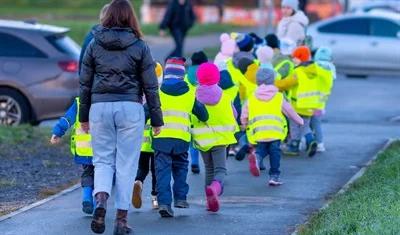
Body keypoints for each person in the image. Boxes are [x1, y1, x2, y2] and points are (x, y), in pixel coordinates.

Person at [79, 1, 163, 234]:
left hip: (99, 107)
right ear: (130, 17)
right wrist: (157, 119)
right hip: (129, 107)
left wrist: (83, 116)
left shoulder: (94, 44)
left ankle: (101, 201)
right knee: (126, 165)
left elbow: (84, 84)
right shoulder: (140, 46)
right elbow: (151, 86)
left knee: (102, 161)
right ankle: (121, 221)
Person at [153, 57, 208, 218]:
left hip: (161, 138)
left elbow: (146, 111)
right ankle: (180, 198)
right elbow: (203, 114)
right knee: (181, 168)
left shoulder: (158, 93)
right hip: (182, 140)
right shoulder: (190, 94)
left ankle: (164, 203)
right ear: (182, 76)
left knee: (162, 172)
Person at [241, 68, 303, 184]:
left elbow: (245, 113)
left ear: (257, 81)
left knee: (262, 149)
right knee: (275, 152)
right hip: (275, 131)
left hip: (258, 132)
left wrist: (244, 124)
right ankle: (274, 176)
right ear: (273, 80)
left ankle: (258, 158)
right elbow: (289, 111)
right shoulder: (278, 97)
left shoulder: (252, 97)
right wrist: (300, 121)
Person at [192, 62, 238, 212]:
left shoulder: (194, 95)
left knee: (209, 168)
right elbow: (234, 114)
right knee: (220, 170)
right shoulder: (224, 96)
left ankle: (209, 201)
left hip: (202, 139)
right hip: (221, 138)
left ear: (198, 78)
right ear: (217, 78)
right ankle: (215, 190)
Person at [50, 97, 94, 215]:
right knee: (103, 174)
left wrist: (58, 132)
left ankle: (87, 198)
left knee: (88, 173)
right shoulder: (105, 99)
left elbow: (67, 118)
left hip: (84, 149)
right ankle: (98, 201)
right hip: (103, 148)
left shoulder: (79, 102)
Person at [132, 62, 164, 210]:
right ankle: (155, 198)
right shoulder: (160, 93)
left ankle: (138, 182)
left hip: (140, 138)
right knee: (156, 169)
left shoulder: (138, 91)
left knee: (142, 167)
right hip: (156, 137)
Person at [276, 46, 318, 157]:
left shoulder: (298, 72)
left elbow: (286, 83)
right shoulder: (314, 71)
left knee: (294, 124)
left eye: (295, 58)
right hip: (310, 104)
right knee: (305, 125)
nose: (293, 60)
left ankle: (294, 145)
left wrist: (275, 84)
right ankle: (310, 140)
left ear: (300, 58)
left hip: (297, 104)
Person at [185, 51, 209, 174]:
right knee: (204, 138)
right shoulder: (206, 73)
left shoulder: (186, 75)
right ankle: (209, 164)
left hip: (190, 110)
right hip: (203, 110)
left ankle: (194, 162)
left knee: (192, 139)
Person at [311, 47, 335, 152]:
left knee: (310, 122)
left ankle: (316, 142)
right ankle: (319, 143)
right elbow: (332, 79)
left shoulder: (314, 65)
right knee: (316, 121)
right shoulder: (331, 67)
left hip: (310, 97)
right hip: (322, 100)